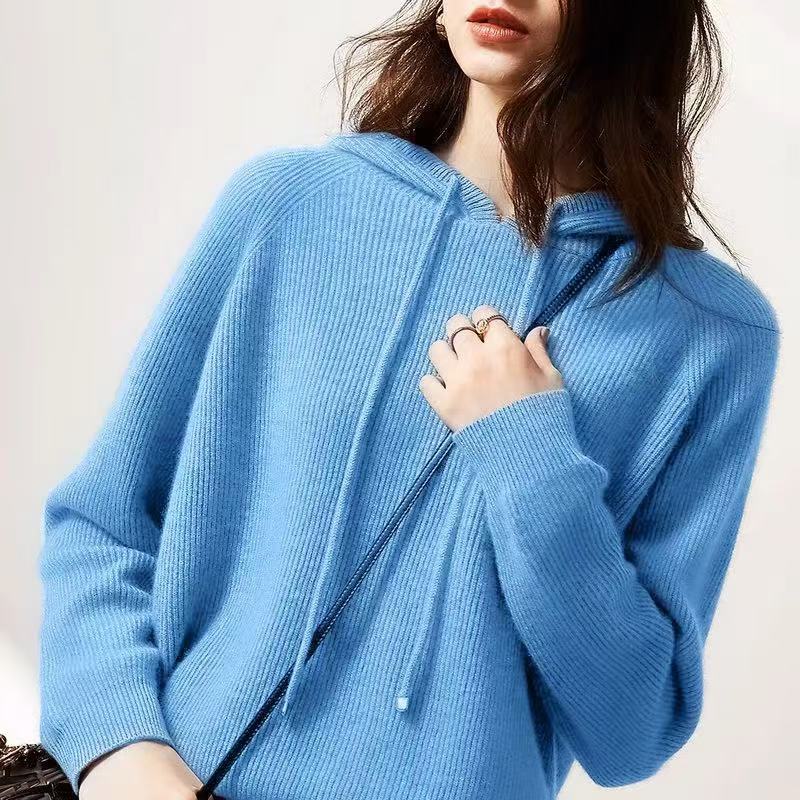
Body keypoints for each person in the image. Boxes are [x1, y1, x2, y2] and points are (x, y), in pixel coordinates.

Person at [38, 2, 781, 799]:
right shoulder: (288, 208)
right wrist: (123, 753)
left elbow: (631, 732)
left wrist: (529, 454)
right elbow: (104, 526)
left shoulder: (709, 334)